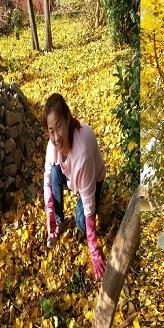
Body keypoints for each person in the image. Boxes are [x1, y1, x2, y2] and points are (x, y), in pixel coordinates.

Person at [42, 93, 107, 280]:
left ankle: (101, 196)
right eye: (50, 131)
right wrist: (50, 214)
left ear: (68, 119)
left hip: (93, 179)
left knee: (81, 222)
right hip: (72, 176)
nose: (56, 138)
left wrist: (94, 251)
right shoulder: (52, 145)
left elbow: (87, 204)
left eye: (59, 127)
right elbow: (47, 179)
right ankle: (60, 222)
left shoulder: (83, 155)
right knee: (55, 172)